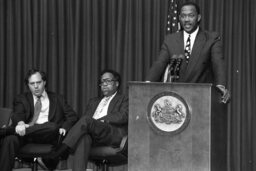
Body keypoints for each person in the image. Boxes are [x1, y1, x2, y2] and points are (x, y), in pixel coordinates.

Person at [146, 1, 230, 103]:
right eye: (183, 16)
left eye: (191, 16)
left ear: (198, 17)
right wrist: (147, 84)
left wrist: (220, 86)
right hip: (177, 100)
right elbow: (159, 63)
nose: (186, 19)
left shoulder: (211, 38)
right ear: (179, 18)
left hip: (201, 98)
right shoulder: (170, 40)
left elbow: (218, 63)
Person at [47, 69, 128, 171]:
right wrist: (92, 124)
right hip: (93, 134)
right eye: (102, 82)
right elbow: (84, 123)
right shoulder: (93, 101)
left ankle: (60, 152)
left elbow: (123, 116)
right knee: (83, 138)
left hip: (111, 134)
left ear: (116, 83)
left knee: (87, 120)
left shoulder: (124, 98)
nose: (104, 84)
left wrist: (99, 121)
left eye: (108, 81)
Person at [0, 69, 78, 171]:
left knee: (53, 126)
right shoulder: (21, 98)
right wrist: (21, 123)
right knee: (9, 140)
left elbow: (72, 116)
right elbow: (18, 114)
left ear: (44, 82)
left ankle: (10, 130)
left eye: (38, 82)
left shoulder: (58, 98)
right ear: (28, 85)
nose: (36, 86)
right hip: (25, 136)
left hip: (47, 135)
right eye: (32, 83)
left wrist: (64, 127)